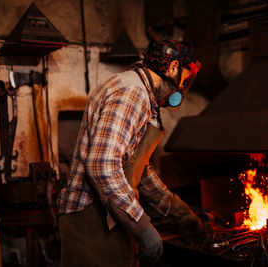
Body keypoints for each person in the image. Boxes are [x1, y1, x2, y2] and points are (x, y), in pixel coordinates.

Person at [58, 39, 202, 267]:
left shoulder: (142, 94)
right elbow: (101, 166)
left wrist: (177, 211)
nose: (182, 88)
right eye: (184, 79)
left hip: (111, 220)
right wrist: (143, 226)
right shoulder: (133, 93)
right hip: (92, 223)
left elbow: (137, 170)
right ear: (173, 67)